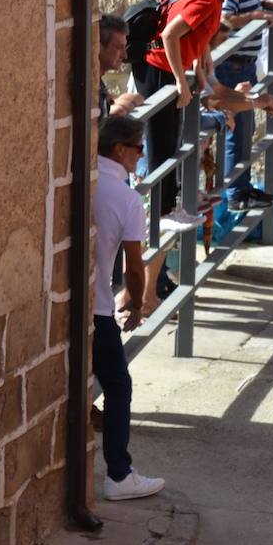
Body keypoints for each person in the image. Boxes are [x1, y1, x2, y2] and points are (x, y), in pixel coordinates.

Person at [135, 0, 273, 314]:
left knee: (172, 147)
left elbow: (197, 44)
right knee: (164, 148)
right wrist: (183, 83)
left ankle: (170, 207)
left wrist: (199, 69)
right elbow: (171, 35)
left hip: (172, 70)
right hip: (159, 71)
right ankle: (167, 208)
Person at [93, 114, 164, 500]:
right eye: (138, 149)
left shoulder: (84, 181)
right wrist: (137, 305)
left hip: (69, 306)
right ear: (120, 150)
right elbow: (134, 268)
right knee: (119, 386)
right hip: (99, 308)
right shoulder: (126, 198)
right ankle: (119, 474)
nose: (141, 156)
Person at [218, 0, 273, 211]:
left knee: (247, 130)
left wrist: (269, 9)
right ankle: (235, 193)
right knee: (236, 130)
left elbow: (250, 10)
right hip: (233, 66)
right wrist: (257, 14)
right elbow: (227, 20)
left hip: (245, 65)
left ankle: (243, 187)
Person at [97, 14, 143, 119]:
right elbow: (117, 112)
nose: (125, 55)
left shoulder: (97, 83)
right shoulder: (89, 87)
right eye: (118, 47)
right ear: (98, 47)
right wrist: (124, 106)